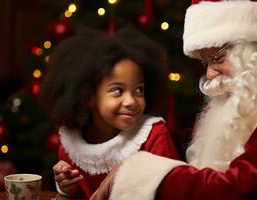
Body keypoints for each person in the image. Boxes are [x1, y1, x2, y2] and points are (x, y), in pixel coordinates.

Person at [91, 0, 257, 199]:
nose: (209, 74)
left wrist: (135, 175)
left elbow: (244, 191)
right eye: (206, 62)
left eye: (217, 58)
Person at [38, 27, 180, 198]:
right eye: (118, 90)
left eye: (138, 90)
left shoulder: (154, 135)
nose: (132, 101)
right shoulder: (71, 145)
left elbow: (176, 189)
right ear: (88, 98)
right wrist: (68, 188)